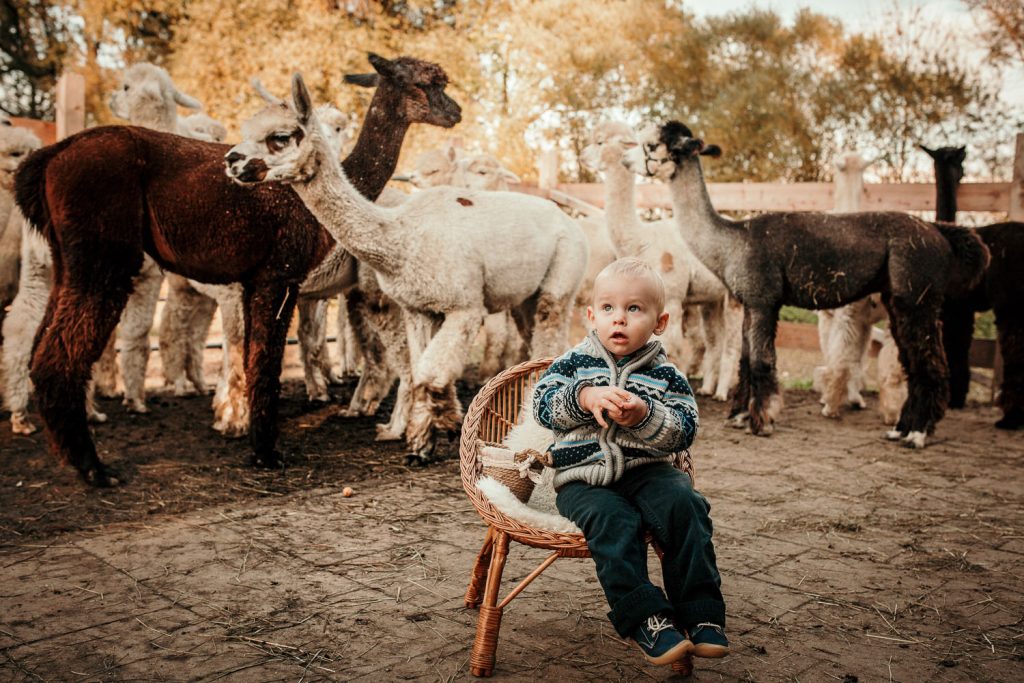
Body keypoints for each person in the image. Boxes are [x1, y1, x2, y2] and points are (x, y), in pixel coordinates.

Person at [532, 257, 728, 666]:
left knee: (686, 504)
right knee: (614, 520)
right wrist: (584, 398)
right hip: (582, 478)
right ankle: (647, 617)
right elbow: (543, 406)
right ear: (591, 315)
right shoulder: (573, 363)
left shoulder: (667, 374)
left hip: (648, 471)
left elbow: (685, 428)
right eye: (608, 308)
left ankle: (702, 613)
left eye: (634, 309)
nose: (618, 319)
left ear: (660, 322)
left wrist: (645, 415)